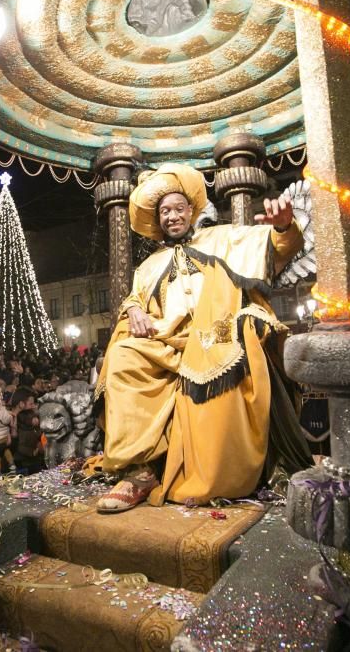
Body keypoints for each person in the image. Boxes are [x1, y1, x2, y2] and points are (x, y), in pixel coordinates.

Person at [94, 163, 312, 513]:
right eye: (164, 211)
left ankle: (235, 470)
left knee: (243, 335)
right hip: (165, 343)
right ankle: (139, 470)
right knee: (122, 355)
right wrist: (133, 311)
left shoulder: (223, 237)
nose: (172, 216)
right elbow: (135, 299)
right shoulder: (148, 265)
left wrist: (284, 225)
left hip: (216, 334)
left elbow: (275, 248)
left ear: (191, 211)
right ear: (157, 219)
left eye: (178, 208)